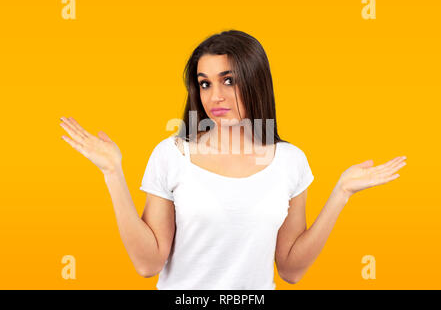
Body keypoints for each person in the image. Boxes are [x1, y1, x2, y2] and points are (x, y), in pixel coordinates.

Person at [59, 30, 407, 290]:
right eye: (205, 83)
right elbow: (148, 264)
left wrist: (341, 193)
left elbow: (291, 270)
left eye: (229, 80)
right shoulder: (172, 154)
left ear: (255, 81)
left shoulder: (291, 162)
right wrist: (113, 173)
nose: (216, 96)